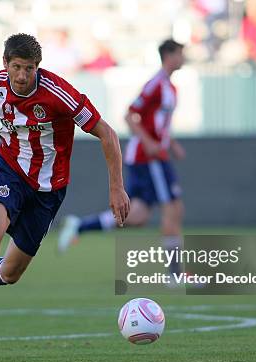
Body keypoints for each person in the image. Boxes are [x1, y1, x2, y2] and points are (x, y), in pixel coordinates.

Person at [0, 33, 130, 362]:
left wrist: (116, 187)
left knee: (11, 273)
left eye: (28, 68)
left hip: (49, 189)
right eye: (16, 67)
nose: (21, 75)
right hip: (9, 172)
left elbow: (107, 133)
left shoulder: (59, 93)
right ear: (5, 64)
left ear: (37, 68)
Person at [58, 39, 186, 277]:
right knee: (173, 208)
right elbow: (129, 115)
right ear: (169, 56)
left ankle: (79, 226)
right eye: (180, 53)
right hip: (148, 159)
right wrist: (149, 143)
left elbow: (159, 125)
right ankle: (175, 273)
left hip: (155, 156)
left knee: (137, 216)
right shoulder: (155, 84)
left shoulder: (171, 88)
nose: (183, 58)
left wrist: (172, 144)